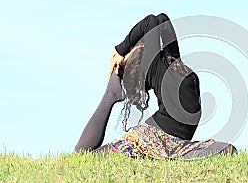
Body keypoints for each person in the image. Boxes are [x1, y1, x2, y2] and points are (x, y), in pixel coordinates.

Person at [75, 13, 237, 159]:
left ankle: (112, 94)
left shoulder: (171, 62)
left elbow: (161, 19)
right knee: (84, 154)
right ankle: (111, 94)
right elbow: (150, 22)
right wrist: (120, 51)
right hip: (153, 137)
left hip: (174, 141)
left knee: (228, 149)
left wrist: (123, 51)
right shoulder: (152, 63)